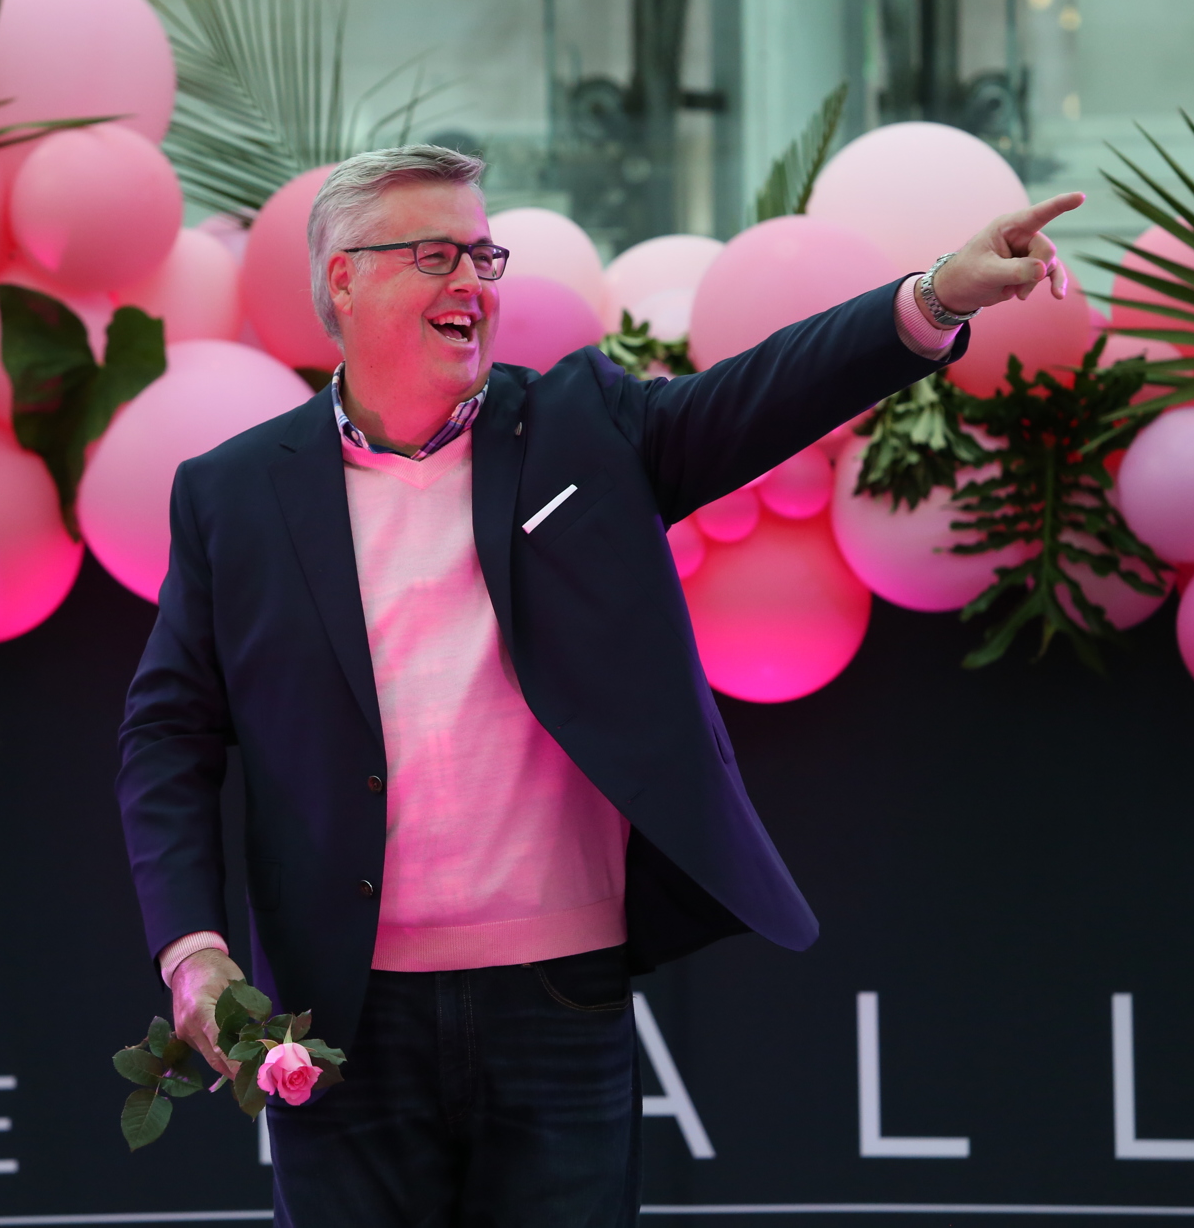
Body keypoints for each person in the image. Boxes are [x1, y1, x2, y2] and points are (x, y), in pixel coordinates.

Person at [116, 144, 1080, 1226]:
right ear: (342, 278)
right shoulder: (232, 494)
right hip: (334, 1008)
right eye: (435, 254)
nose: (471, 283)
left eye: (483, 255)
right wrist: (191, 945)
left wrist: (935, 294)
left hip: (555, 993)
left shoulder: (577, 426)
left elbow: (762, 394)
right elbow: (168, 733)